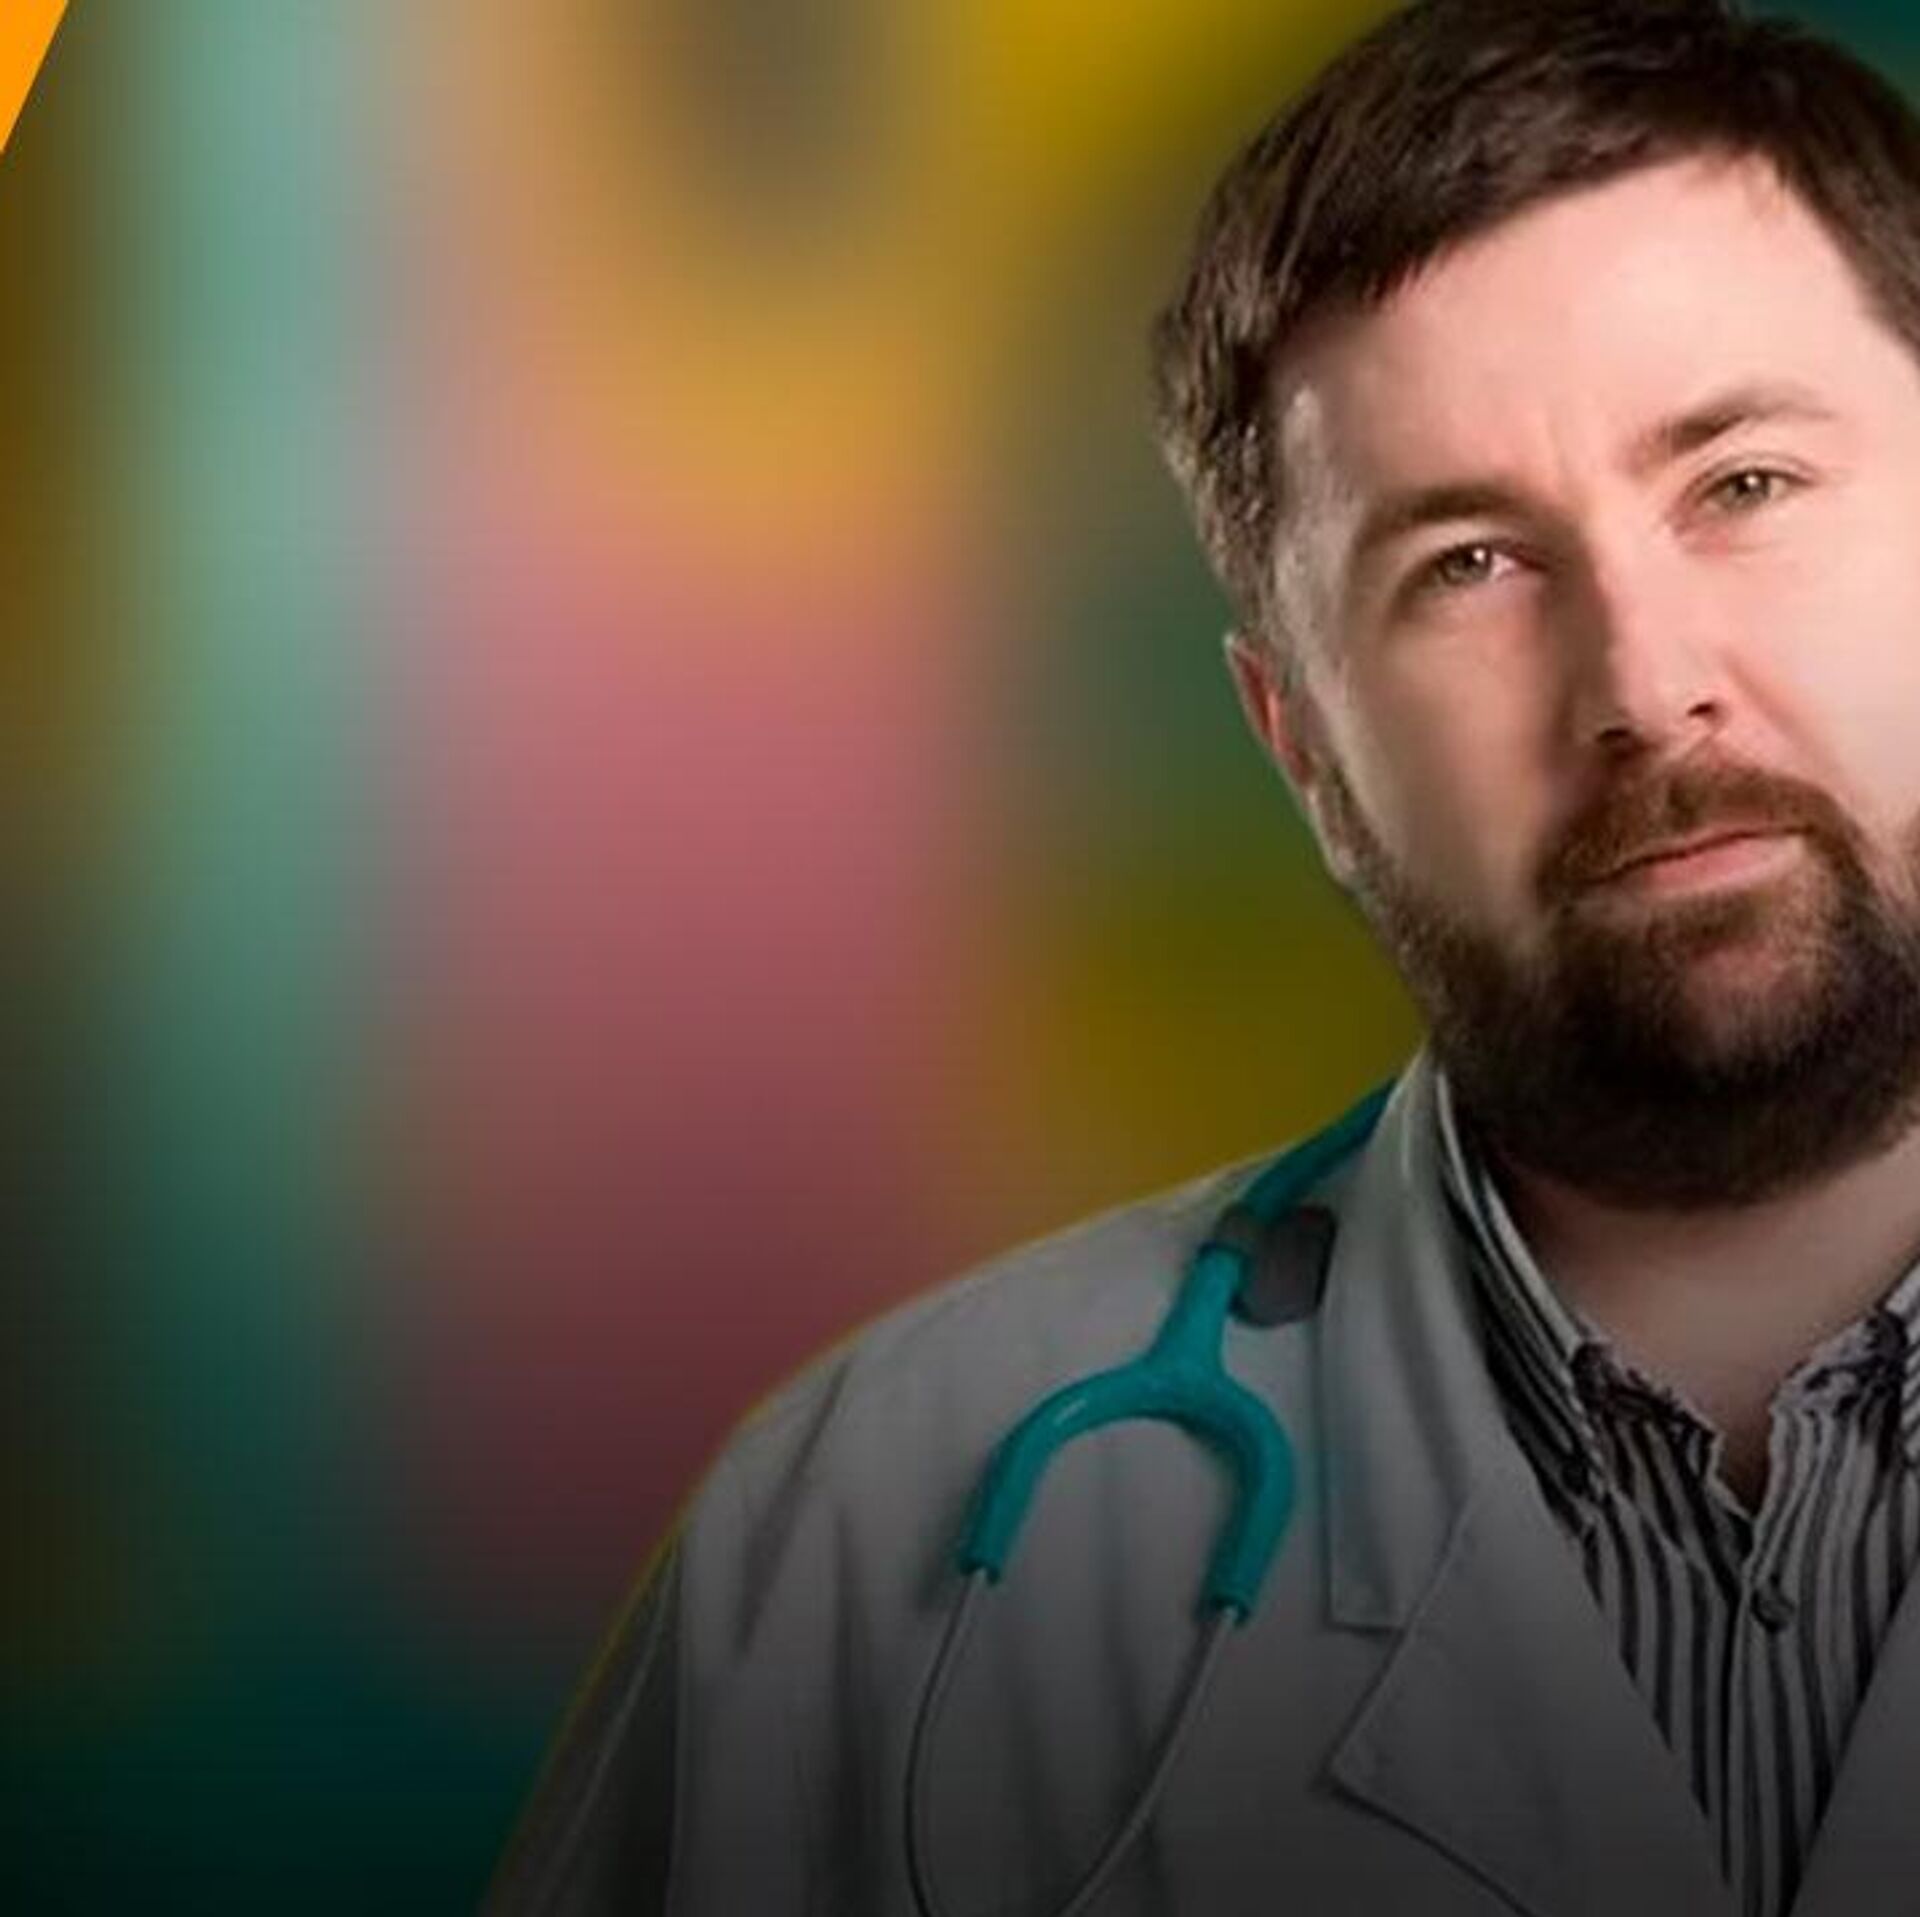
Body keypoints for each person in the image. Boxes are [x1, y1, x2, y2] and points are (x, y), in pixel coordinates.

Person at [486, 2, 1920, 1911]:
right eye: (1468, 565)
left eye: (1742, 485)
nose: (1645, 685)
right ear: (1302, 746)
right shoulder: (867, 1548)